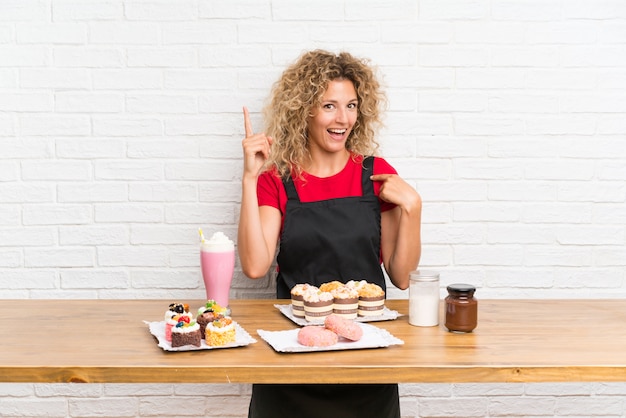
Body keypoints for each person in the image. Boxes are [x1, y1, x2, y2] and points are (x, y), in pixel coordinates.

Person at [237, 49, 422, 418]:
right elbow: (255, 266)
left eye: (351, 106)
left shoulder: (375, 173)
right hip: (292, 358)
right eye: (329, 106)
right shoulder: (278, 179)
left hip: (365, 357)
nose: (343, 118)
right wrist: (249, 178)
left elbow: (401, 277)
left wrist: (413, 208)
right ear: (303, 110)